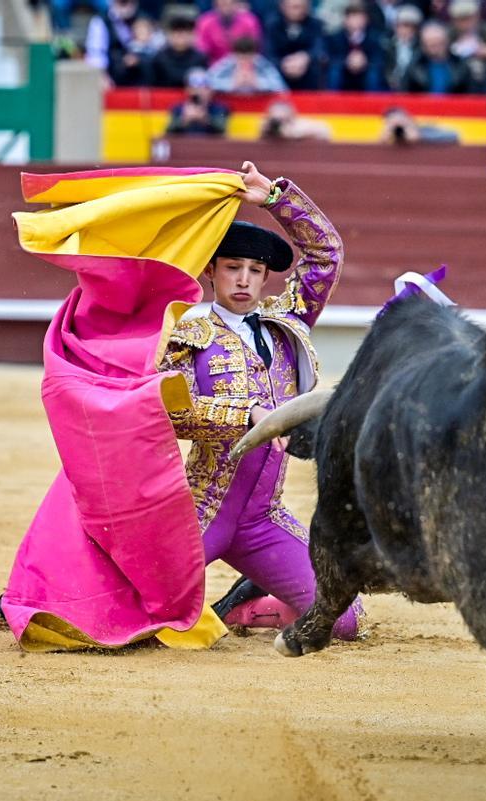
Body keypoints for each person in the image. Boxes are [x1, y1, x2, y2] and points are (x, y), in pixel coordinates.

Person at [158, 162, 364, 639]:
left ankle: (244, 607)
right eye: (233, 268)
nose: (245, 280)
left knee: (343, 620)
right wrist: (246, 416)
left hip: (264, 517)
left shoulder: (286, 321)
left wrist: (275, 199)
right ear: (211, 271)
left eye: (255, 270)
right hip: (201, 510)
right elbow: (171, 412)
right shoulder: (187, 332)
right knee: (143, 611)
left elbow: (325, 254)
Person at [265, 0, 327, 90]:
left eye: (303, 7)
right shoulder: (272, 25)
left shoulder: (316, 25)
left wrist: (305, 57)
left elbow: (320, 48)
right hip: (281, 72)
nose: (299, 11)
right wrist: (285, 64)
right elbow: (269, 53)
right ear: (283, 7)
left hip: (308, 74)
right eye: (295, 7)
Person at [325, 3, 388, 91]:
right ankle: (331, 102)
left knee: (374, 73)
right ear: (345, 20)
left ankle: (373, 103)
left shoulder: (375, 37)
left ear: (366, 20)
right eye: (353, 17)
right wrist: (347, 61)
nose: (356, 22)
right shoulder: (336, 37)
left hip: (366, 73)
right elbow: (330, 58)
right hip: (344, 72)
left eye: (360, 18)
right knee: (334, 71)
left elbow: (379, 59)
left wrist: (364, 62)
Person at [403, 20, 475, 92]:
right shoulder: (415, 67)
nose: (435, 48)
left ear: (446, 42)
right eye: (430, 44)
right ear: (424, 45)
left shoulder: (460, 65)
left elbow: (471, 93)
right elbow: (404, 94)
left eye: (439, 43)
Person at [206, 36, 290, 92]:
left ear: (255, 55)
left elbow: (281, 87)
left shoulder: (263, 64)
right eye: (241, 58)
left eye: (248, 58)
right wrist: (232, 84)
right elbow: (208, 82)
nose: (244, 62)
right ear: (234, 55)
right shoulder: (227, 63)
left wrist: (258, 84)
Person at [195, 0, 265, 65]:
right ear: (215, 4)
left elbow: (256, 50)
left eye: (230, 3)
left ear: (236, 3)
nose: (226, 7)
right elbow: (201, 50)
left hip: (244, 65)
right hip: (214, 68)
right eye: (223, 4)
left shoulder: (249, 21)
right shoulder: (205, 22)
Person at [150, 12, 210, 88]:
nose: (180, 35)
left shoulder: (200, 58)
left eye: (185, 31)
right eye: (176, 31)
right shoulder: (159, 58)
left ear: (192, 35)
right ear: (168, 35)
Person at [166, 68, 231, 135]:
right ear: (188, 90)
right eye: (195, 87)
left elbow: (222, 129)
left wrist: (205, 119)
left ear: (211, 90)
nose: (200, 91)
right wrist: (184, 120)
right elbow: (169, 131)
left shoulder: (220, 108)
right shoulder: (178, 108)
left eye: (205, 88)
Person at [378, 106, 461, 144]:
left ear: (409, 120)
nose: (398, 125)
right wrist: (388, 132)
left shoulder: (424, 130)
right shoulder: (389, 135)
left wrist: (419, 136)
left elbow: (453, 135)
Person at [260, 99, 333, 140]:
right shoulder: (267, 126)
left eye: (283, 120)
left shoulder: (301, 125)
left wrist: (294, 133)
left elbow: (325, 130)